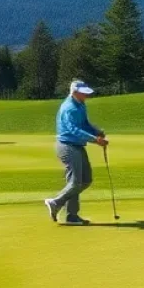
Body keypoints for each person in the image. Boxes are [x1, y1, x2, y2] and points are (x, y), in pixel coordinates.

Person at [44, 80, 108, 225]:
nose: (87, 95)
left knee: (85, 180)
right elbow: (74, 130)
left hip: (77, 146)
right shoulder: (69, 108)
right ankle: (58, 205)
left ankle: (70, 215)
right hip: (67, 146)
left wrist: (96, 131)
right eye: (84, 93)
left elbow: (84, 124)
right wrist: (95, 140)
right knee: (75, 182)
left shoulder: (80, 105)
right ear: (75, 92)